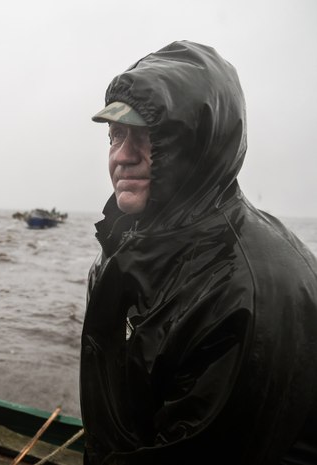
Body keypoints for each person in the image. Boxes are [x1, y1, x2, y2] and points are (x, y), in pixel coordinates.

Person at [80, 40, 317, 465]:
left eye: (147, 136)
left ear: (198, 144)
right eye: (116, 134)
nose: (123, 155)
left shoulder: (239, 291)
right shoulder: (133, 238)